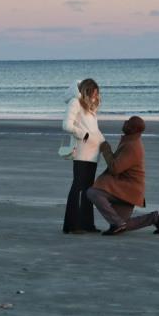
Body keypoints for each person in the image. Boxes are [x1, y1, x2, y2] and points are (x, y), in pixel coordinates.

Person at [87, 116, 159, 236]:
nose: (125, 122)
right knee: (122, 223)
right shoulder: (130, 141)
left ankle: (118, 224)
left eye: (128, 122)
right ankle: (156, 217)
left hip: (127, 190)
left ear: (132, 129)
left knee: (93, 193)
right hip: (126, 189)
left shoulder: (133, 146)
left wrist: (106, 149)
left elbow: (115, 168)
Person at [61, 79, 105, 234]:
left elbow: (94, 129)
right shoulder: (75, 103)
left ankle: (87, 224)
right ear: (87, 91)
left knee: (89, 190)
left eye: (97, 93)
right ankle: (71, 225)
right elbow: (66, 125)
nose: (96, 96)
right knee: (78, 188)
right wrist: (84, 135)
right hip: (81, 153)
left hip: (93, 154)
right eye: (94, 93)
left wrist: (102, 142)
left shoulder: (91, 109)